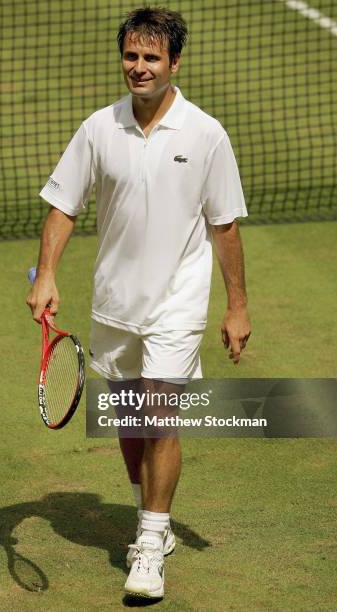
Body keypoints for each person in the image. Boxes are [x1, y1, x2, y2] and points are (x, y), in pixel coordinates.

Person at [27, 7, 251, 601]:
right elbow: (63, 206)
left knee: (158, 414)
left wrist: (237, 306)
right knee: (130, 418)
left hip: (177, 301)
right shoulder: (99, 128)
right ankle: (150, 509)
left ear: (174, 62)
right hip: (115, 302)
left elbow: (225, 225)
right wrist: (46, 273)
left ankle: (150, 543)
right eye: (131, 56)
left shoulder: (206, 134)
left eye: (152, 57)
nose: (140, 67)